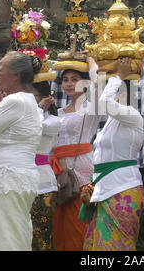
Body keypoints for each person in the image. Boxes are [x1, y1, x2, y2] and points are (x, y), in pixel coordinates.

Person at [0, 51, 42, 251]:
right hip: (11, 179)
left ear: (16, 75)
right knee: (10, 238)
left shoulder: (15, 101)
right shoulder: (26, 100)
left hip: (5, 179)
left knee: (2, 241)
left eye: (0, 69)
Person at [82, 57, 144, 251]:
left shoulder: (133, 117)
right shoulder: (109, 123)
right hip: (104, 189)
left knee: (116, 248)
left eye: (117, 90)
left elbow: (104, 101)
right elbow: (101, 93)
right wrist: (93, 62)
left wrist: (118, 76)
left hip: (123, 188)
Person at [52, 56, 102, 251]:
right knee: (60, 227)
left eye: (75, 79)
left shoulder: (90, 109)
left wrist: (91, 61)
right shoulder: (58, 112)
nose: (69, 83)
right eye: (66, 80)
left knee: (80, 228)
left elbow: (99, 85)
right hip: (59, 175)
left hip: (81, 171)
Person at [30, 81, 60, 251]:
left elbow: (35, 128)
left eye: (31, 95)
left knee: (42, 238)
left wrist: (40, 108)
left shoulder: (53, 121)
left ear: (46, 99)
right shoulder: (21, 115)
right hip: (21, 182)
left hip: (42, 186)